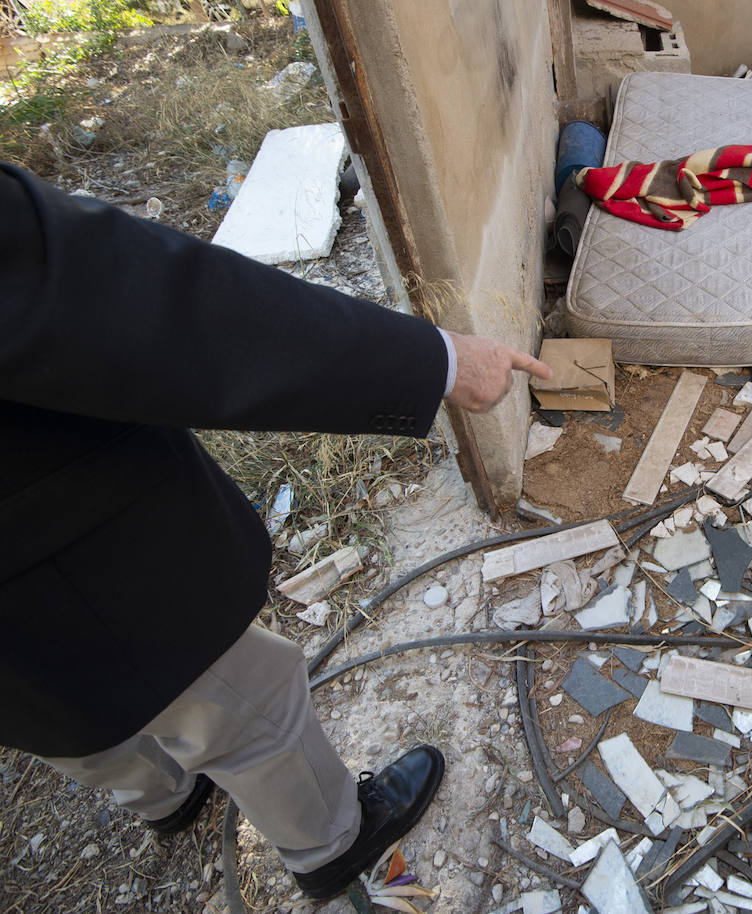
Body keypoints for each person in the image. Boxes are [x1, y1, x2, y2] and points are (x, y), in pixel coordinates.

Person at [0, 162, 552, 899]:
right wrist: (436, 360)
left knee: (62, 706)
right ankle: (333, 839)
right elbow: (166, 309)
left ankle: (165, 796)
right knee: (245, 699)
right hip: (60, 560)